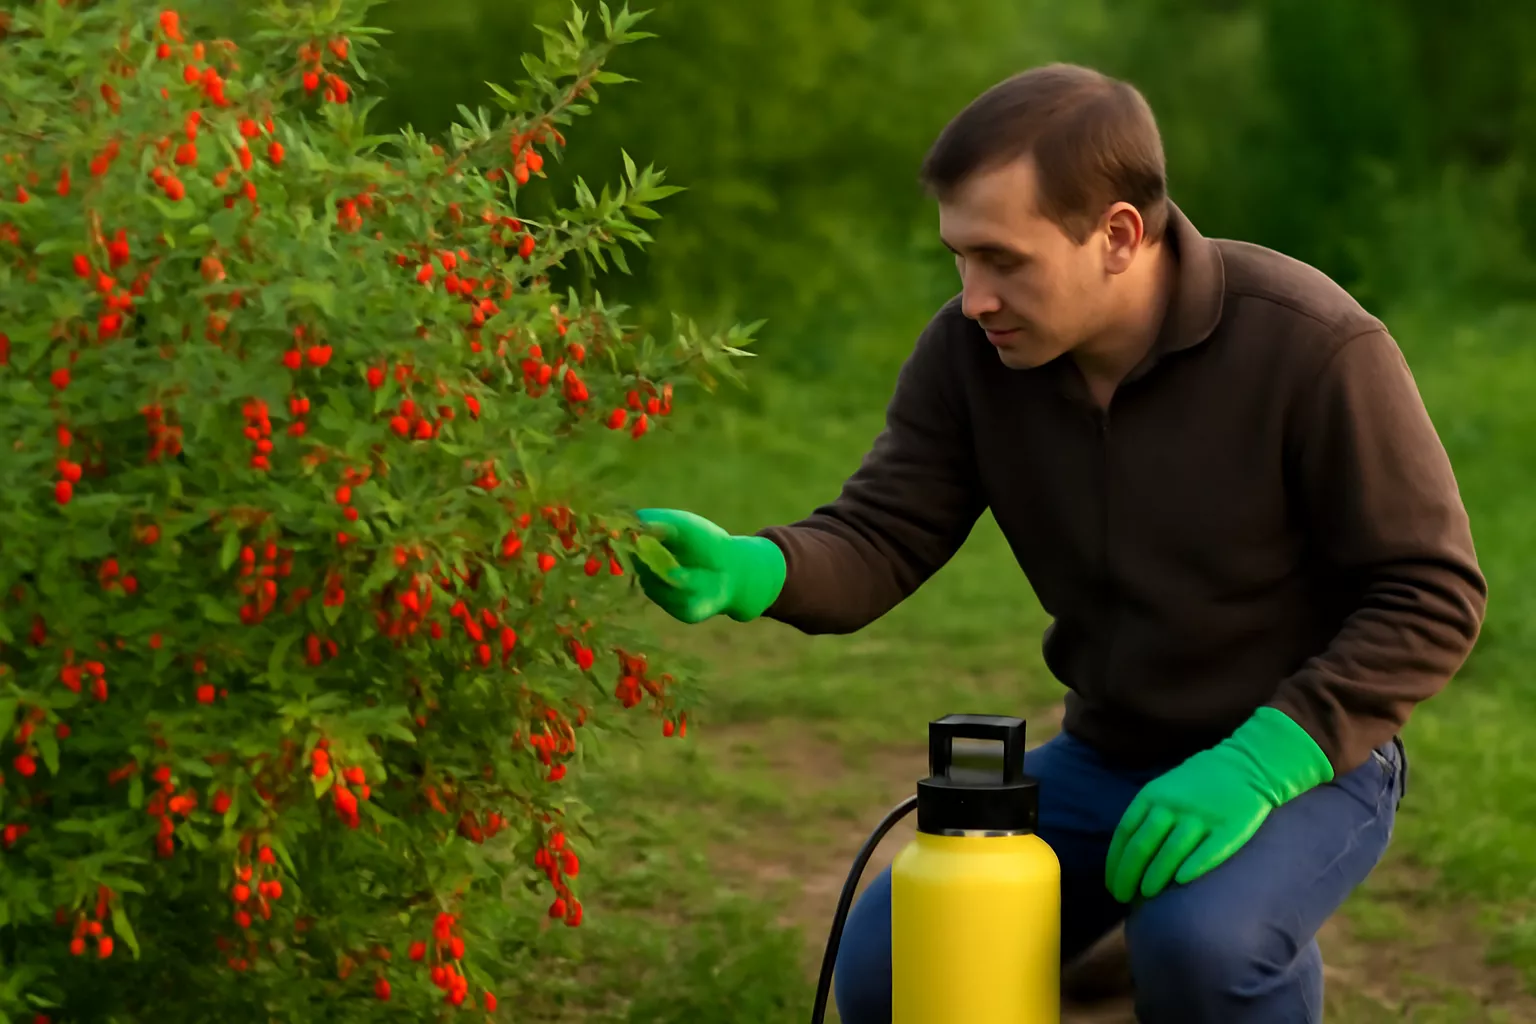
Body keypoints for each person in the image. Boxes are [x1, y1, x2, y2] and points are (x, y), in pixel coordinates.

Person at [629, 63, 1487, 1024]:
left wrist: (1258, 764)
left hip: (1304, 759)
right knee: (896, 970)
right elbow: (882, 532)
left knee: (1204, 949)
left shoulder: (1311, 345)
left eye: (1004, 261)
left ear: (1118, 235)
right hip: (1106, 754)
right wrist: (756, 567)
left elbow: (1432, 592)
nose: (975, 298)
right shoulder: (970, 356)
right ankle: (1115, 956)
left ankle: (1173, 941)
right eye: (960, 258)